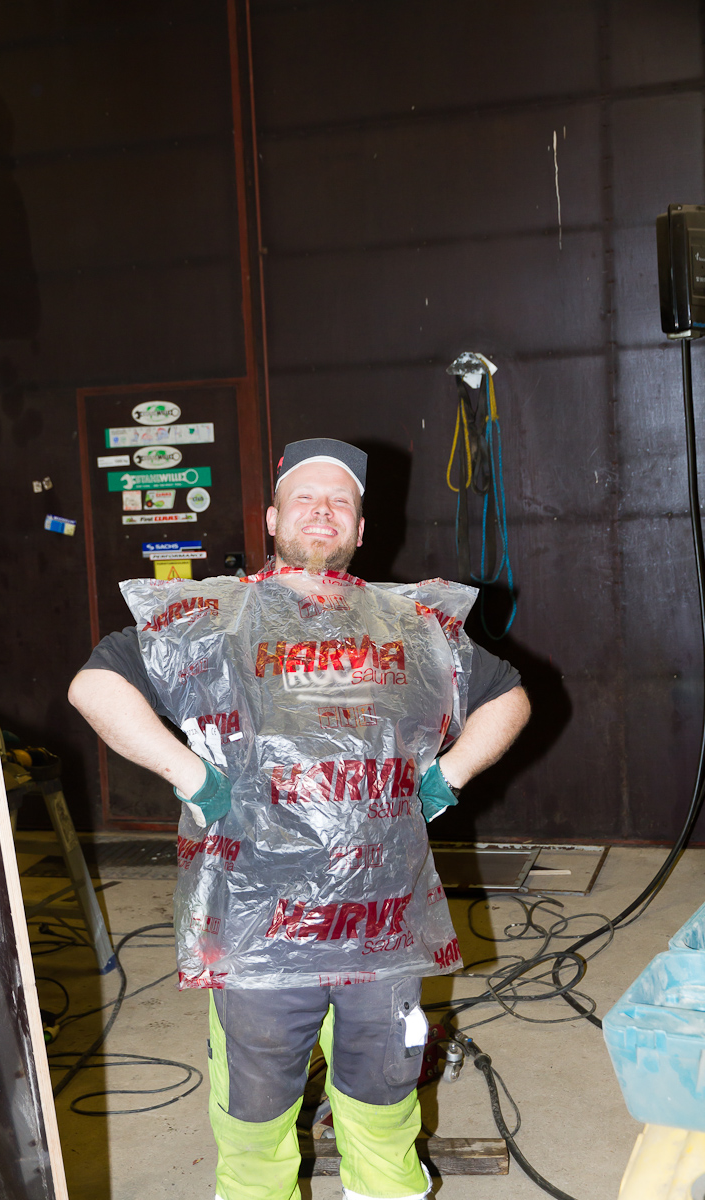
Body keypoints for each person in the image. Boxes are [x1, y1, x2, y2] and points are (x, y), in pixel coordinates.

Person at [68, 437, 530, 1200]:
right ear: (272, 517)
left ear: (359, 529)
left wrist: (447, 777)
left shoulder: (409, 624)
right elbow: (96, 685)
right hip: (258, 925)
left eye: (339, 502)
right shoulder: (215, 616)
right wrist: (193, 776)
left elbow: (507, 694)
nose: (322, 512)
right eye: (305, 498)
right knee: (255, 1119)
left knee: (386, 1096)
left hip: (383, 920)